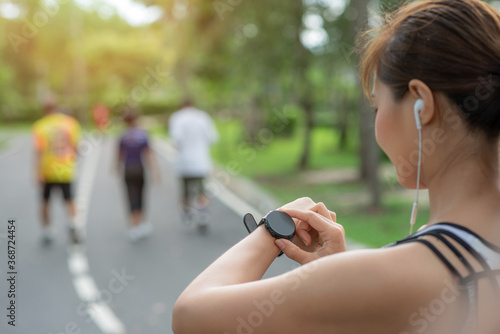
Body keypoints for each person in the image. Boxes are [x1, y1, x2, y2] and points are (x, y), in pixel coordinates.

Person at [172, 1, 500, 333]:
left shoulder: (402, 275)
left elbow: (191, 315)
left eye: (377, 106)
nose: (378, 125)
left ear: (421, 105)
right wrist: (340, 277)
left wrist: (273, 227)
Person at [33, 96, 82, 245]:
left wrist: (37, 172)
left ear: (43, 110)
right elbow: (77, 147)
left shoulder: (40, 126)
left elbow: (39, 152)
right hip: (65, 169)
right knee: (70, 200)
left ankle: (48, 230)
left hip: (47, 170)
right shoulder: (70, 123)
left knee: (45, 201)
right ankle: (73, 225)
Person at [168, 99, 219, 232]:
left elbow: (175, 140)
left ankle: (187, 214)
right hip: (200, 161)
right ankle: (202, 216)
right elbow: (213, 138)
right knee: (201, 190)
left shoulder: (177, 118)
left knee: (185, 191)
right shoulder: (203, 117)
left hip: (183, 162)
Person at [116, 109, 160, 242]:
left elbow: (119, 155)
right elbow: (148, 154)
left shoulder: (123, 136)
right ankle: (141, 223)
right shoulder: (142, 134)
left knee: (130, 195)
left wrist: (117, 168)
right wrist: (155, 171)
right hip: (139, 168)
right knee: (141, 194)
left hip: (128, 169)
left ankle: (133, 226)